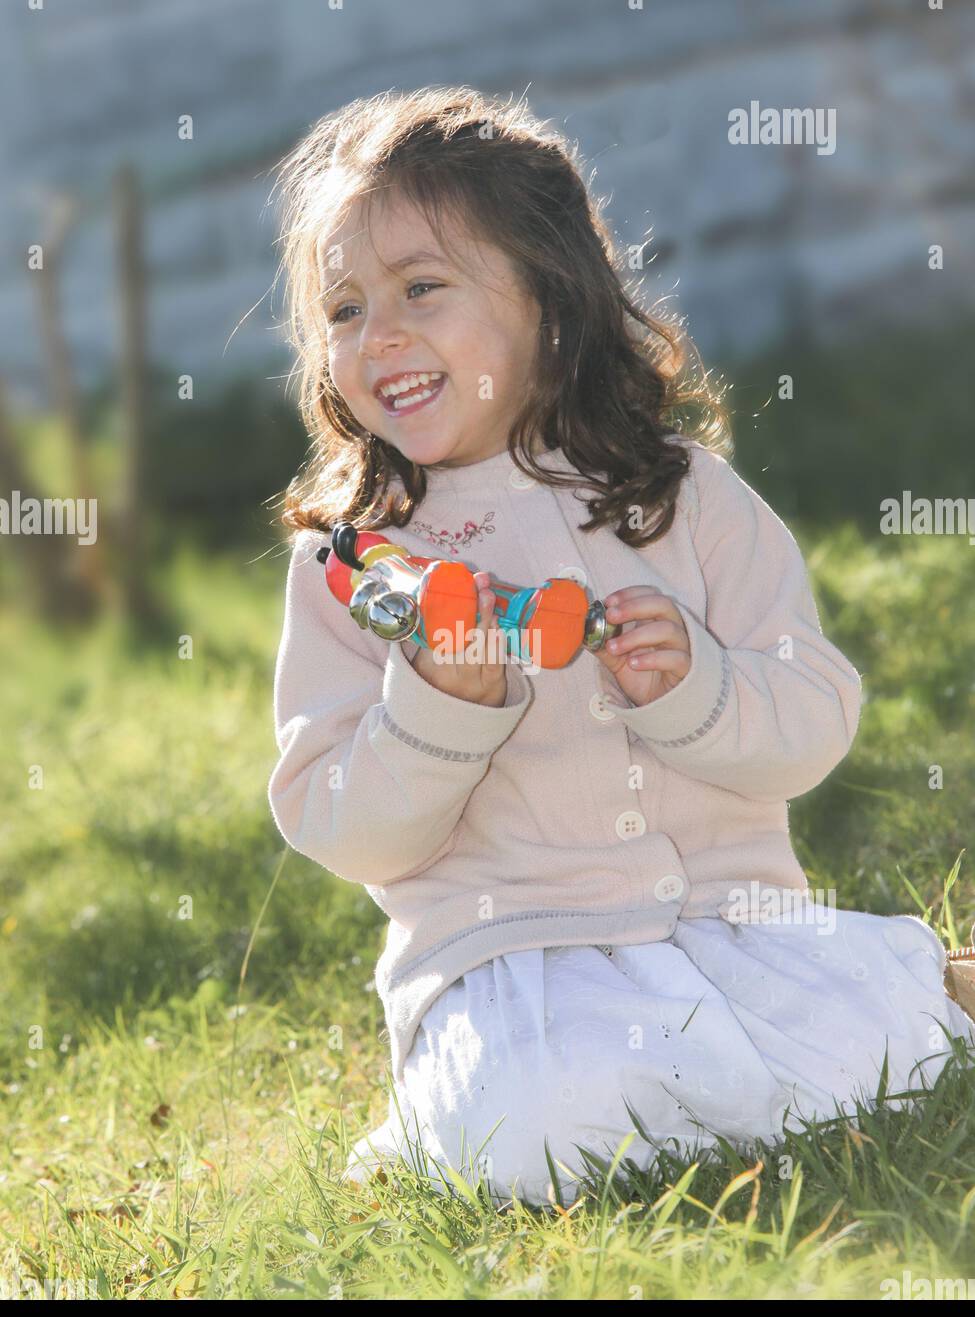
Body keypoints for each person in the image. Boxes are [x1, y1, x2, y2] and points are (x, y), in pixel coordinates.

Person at [266, 86, 975, 1208]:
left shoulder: (679, 496)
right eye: (344, 308)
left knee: (870, 1054)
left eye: (422, 288)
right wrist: (439, 707)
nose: (379, 334)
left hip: (729, 931)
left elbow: (812, 719)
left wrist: (701, 687)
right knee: (538, 1129)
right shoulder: (357, 569)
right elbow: (340, 825)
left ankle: (914, 985)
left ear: (550, 303)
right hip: (515, 968)